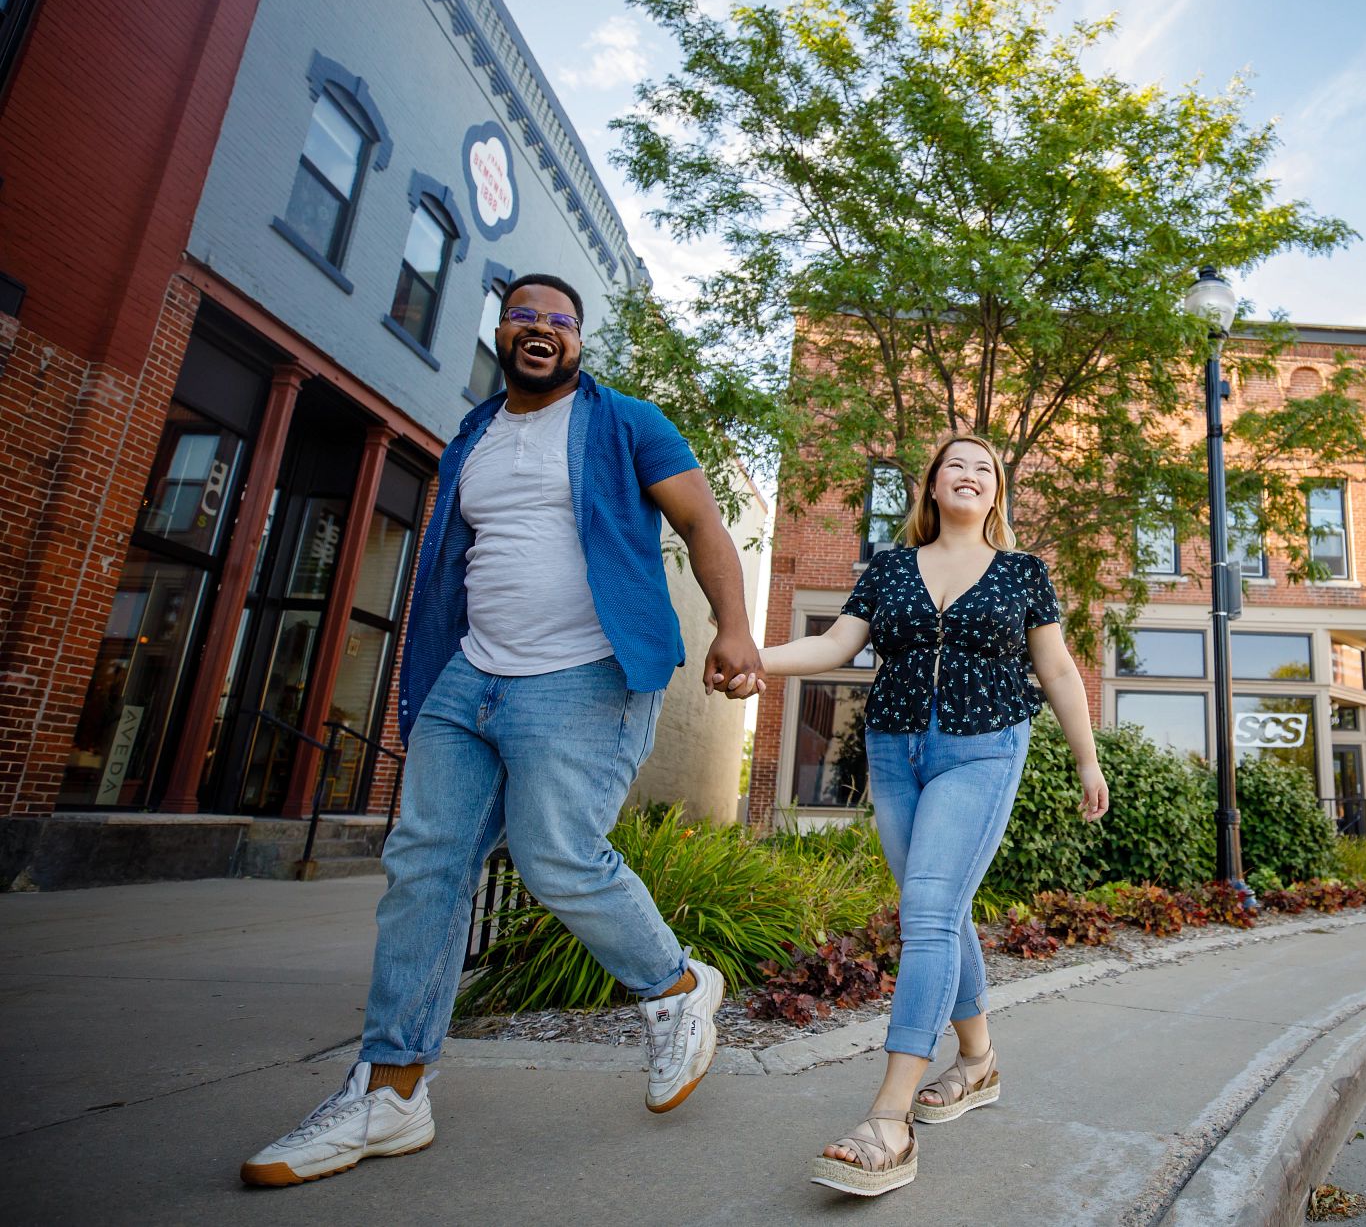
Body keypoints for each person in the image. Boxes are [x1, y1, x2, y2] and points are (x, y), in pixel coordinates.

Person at [240, 275, 764, 1187]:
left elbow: (703, 523)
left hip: (586, 672)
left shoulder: (628, 423)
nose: (542, 329)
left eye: (562, 321)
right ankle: (392, 1089)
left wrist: (733, 626)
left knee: (554, 851)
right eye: (526, 314)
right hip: (471, 671)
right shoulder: (472, 437)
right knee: (424, 863)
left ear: (578, 342)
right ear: (501, 327)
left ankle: (676, 988)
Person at [733, 435, 1106, 1197]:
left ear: (996, 492)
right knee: (936, 907)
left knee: (928, 914)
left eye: (984, 469)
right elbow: (838, 643)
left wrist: (1087, 757)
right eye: (954, 466)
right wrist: (754, 659)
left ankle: (888, 1120)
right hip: (896, 750)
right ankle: (978, 1059)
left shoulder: (1023, 571)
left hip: (983, 748)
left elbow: (1058, 667)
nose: (968, 476)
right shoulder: (892, 568)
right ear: (931, 486)